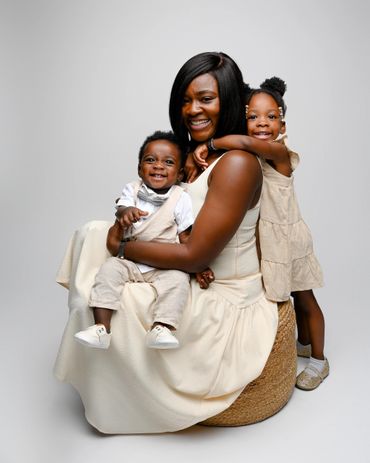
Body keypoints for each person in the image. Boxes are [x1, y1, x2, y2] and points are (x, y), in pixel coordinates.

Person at [54, 52, 279, 434]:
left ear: (229, 102)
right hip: (185, 270)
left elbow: (194, 256)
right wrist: (115, 229)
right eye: (185, 100)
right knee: (91, 231)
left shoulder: (238, 164)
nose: (192, 110)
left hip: (220, 292)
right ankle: (94, 326)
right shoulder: (194, 154)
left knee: (109, 282)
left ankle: (105, 346)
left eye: (206, 99)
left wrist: (121, 247)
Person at [191, 77, 329, 391]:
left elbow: (251, 144)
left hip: (290, 241)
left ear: (282, 123)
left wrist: (212, 143)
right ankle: (304, 342)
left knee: (305, 299)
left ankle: (319, 361)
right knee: (290, 295)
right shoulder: (250, 158)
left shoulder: (278, 152)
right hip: (270, 242)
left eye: (270, 116)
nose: (261, 123)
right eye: (252, 117)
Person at [74, 130, 213, 350]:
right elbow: (121, 208)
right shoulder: (133, 189)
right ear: (140, 169)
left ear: (179, 174)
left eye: (168, 162)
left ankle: (161, 328)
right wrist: (126, 211)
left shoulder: (180, 197)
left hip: (164, 263)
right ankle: (101, 328)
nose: (158, 166)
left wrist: (198, 266)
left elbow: (186, 235)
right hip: (129, 259)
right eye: (150, 160)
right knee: (108, 270)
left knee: (178, 281)